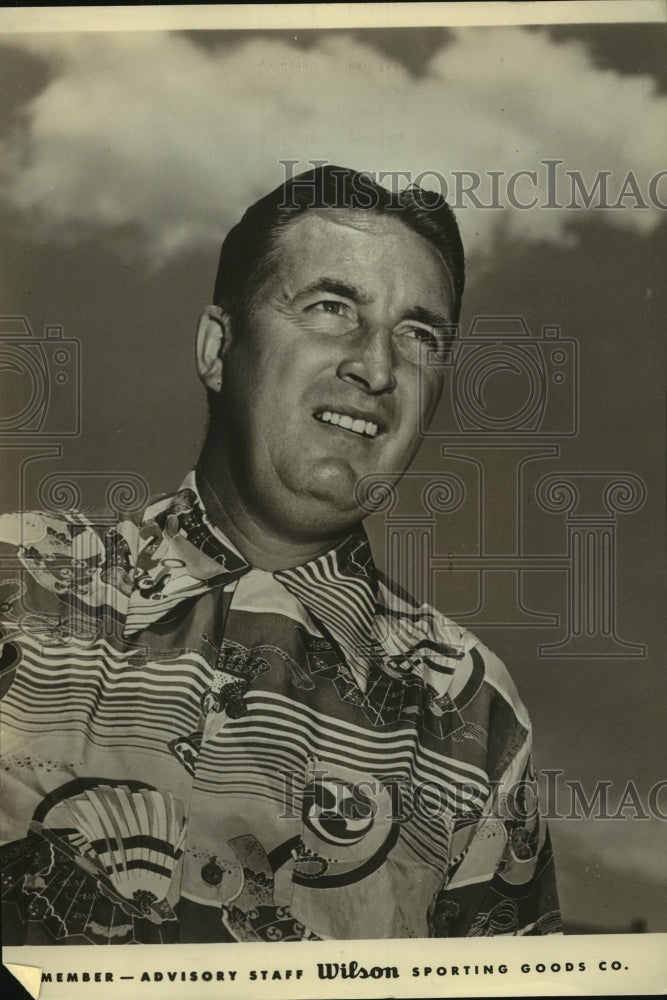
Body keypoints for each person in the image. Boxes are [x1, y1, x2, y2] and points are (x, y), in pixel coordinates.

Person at [0, 165, 561, 944]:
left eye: (417, 333)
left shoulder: (468, 712)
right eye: (331, 307)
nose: (375, 365)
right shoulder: (18, 587)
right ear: (218, 347)